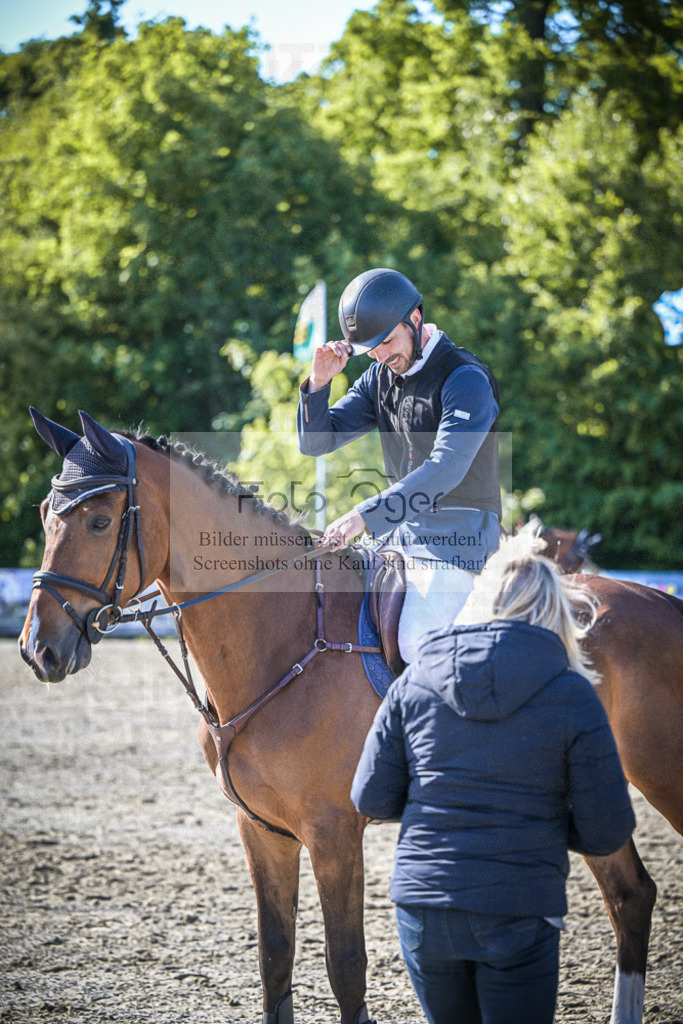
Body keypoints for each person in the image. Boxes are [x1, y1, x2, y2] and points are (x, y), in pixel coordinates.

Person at [350, 535, 636, 1024]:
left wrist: (433, 804)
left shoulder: (416, 680)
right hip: (520, 906)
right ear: (554, 609)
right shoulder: (572, 693)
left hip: (424, 908)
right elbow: (607, 831)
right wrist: (547, 825)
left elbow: (370, 797)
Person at [297, 267, 501, 664]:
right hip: (399, 538)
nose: (380, 355)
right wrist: (318, 383)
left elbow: (447, 468)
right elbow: (316, 442)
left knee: (415, 640)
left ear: (416, 318)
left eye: (387, 341)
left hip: (460, 540)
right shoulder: (378, 377)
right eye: (371, 349)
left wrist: (363, 516)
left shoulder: (465, 378)